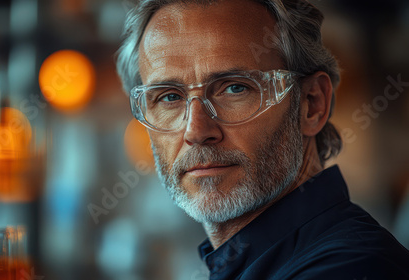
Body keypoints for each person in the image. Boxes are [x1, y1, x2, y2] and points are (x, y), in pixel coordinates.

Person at [116, 0, 409, 279]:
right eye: (169, 97)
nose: (196, 131)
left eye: (234, 89)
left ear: (311, 104)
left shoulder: (348, 269)